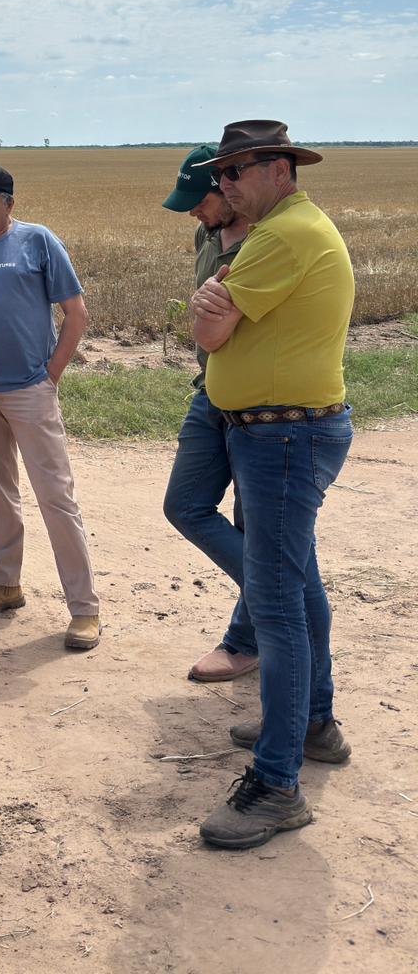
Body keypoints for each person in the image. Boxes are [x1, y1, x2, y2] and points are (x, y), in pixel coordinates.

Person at [189, 121, 354, 850]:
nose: (221, 185)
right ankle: (313, 724)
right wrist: (215, 308)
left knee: (280, 611)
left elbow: (212, 332)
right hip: (278, 431)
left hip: (283, 436)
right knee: (296, 587)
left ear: (279, 168)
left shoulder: (283, 236)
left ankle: (278, 783)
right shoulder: (280, 229)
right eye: (219, 175)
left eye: (233, 172)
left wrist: (215, 310)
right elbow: (212, 317)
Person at [0, 164, 100, 650]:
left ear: (10, 203)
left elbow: (76, 314)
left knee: (55, 497)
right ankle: (5, 584)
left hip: (30, 391)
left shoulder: (38, 242)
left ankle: (85, 609)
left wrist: (50, 375)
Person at [160, 147, 259, 682]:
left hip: (257, 403)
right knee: (185, 505)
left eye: (199, 202)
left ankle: (249, 638)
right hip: (210, 390)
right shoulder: (207, 235)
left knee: (255, 525)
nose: (194, 213)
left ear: (228, 187)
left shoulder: (265, 243)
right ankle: (282, 595)